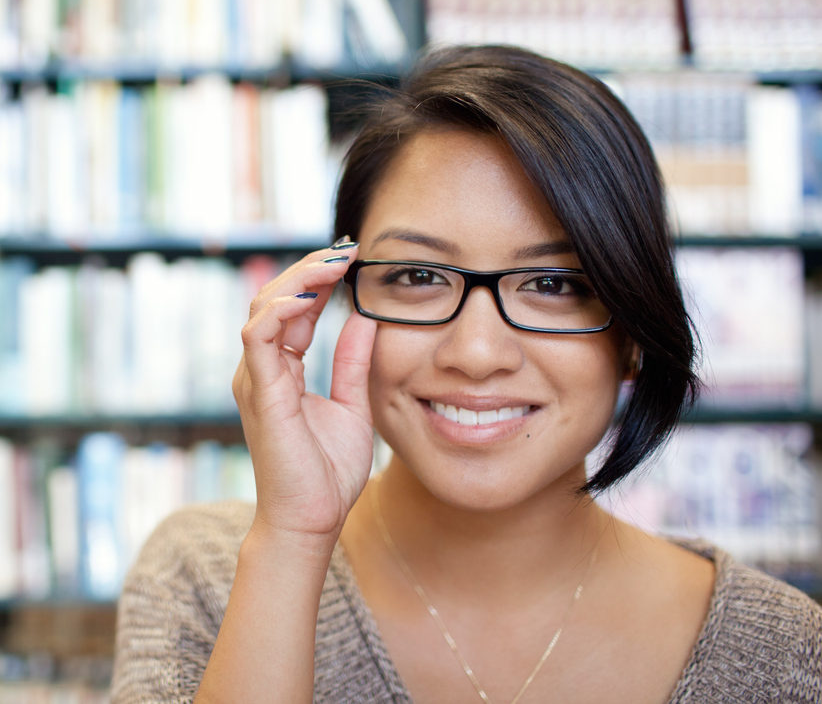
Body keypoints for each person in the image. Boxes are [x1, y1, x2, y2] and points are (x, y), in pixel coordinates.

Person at [109, 45, 822, 704]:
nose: (477, 353)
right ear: (341, 293)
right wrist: (294, 542)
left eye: (552, 283)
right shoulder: (207, 574)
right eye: (418, 275)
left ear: (633, 329)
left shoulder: (784, 652)